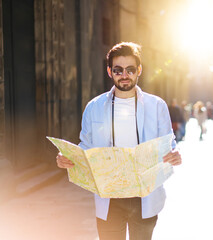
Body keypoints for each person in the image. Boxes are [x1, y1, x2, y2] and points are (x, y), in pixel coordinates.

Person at [56, 42, 182, 240]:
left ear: (139, 70)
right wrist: (68, 157)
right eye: (118, 70)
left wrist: (174, 155)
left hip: (145, 198)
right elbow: (86, 147)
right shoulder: (94, 107)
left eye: (130, 69)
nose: (125, 75)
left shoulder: (156, 106)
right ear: (109, 71)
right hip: (109, 198)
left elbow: (169, 143)